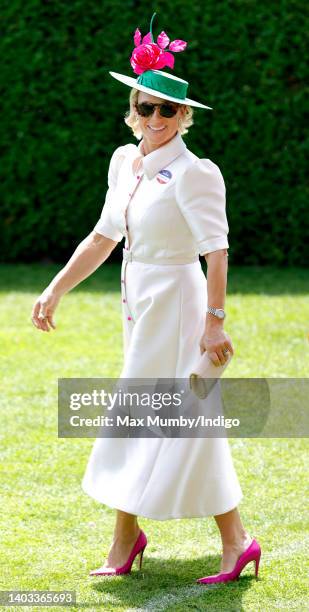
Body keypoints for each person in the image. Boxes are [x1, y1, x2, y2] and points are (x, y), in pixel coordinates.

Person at [31, 14, 261, 584]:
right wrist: (55, 288)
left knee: (180, 419)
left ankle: (222, 542)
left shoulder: (196, 173)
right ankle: (138, 538)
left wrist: (214, 324)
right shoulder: (123, 162)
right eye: (145, 106)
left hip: (183, 308)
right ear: (133, 110)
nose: (154, 118)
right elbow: (104, 237)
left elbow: (217, 251)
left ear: (184, 117)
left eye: (166, 110)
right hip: (141, 305)